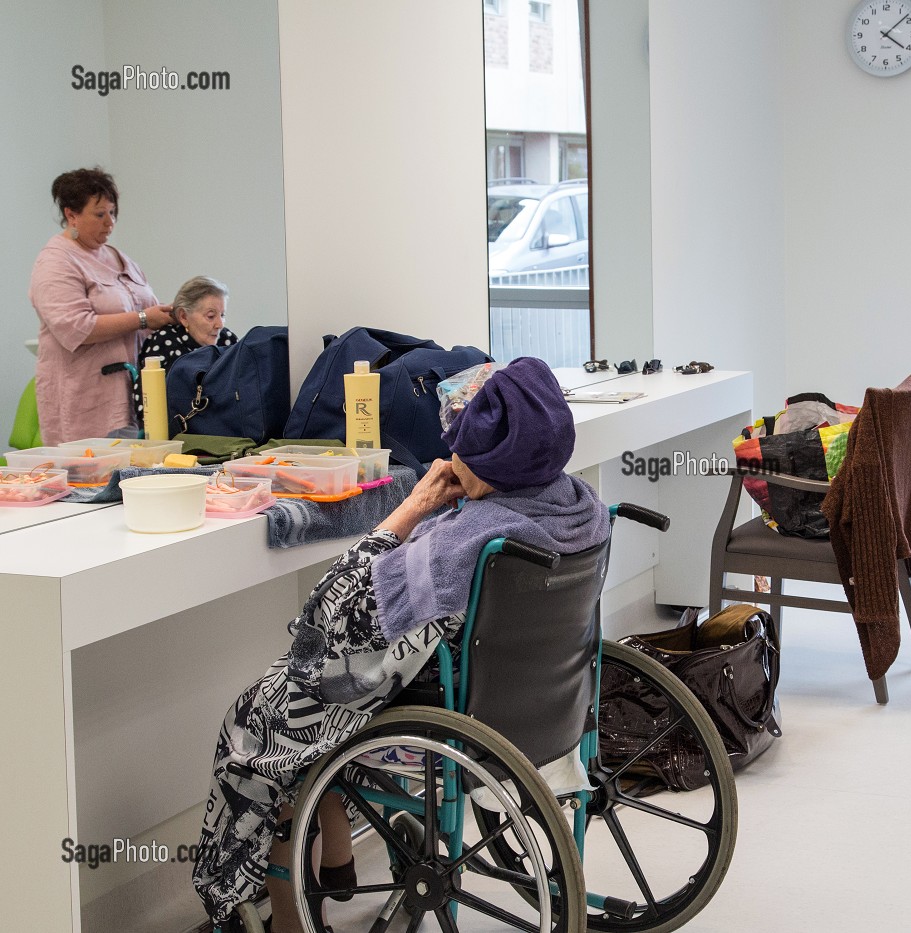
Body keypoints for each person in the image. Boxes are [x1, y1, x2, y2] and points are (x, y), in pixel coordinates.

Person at [191, 357, 610, 930]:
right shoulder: (580, 506)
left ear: (486, 460)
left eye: (459, 444)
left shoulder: (465, 542)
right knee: (305, 698)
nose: (448, 456)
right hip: (540, 706)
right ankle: (336, 849)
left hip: (443, 721)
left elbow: (326, 619)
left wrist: (408, 511)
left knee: (256, 715)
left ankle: (255, 902)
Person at [28, 167, 174, 444]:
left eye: (113, 213)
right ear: (71, 215)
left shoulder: (119, 258)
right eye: (99, 215)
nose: (110, 223)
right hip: (84, 400)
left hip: (131, 397)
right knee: (89, 469)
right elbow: (76, 327)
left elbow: (147, 307)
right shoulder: (56, 262)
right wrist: (143, 318)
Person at [132, 275, 239, 423]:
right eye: (211, 316)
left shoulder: (227, 339)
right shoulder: (165, 342)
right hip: (179, 429)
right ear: (183, 316)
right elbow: (147, 407)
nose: (219, 324)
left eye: (222, 315)